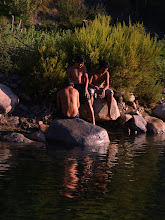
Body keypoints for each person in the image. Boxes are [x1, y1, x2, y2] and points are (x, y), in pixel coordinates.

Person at [67, 55, 95, 125]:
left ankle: (93, 122)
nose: (81, 65)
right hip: (74, 87)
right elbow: (68, 80)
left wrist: (86, 89)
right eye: (80, 63)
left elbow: (86, 79)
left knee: (88, 103)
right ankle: (77, 122)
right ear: (76, 62)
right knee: (76, 104)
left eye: (82, 63)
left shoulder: (83, 68)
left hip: (83, 86)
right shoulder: (70, 69)